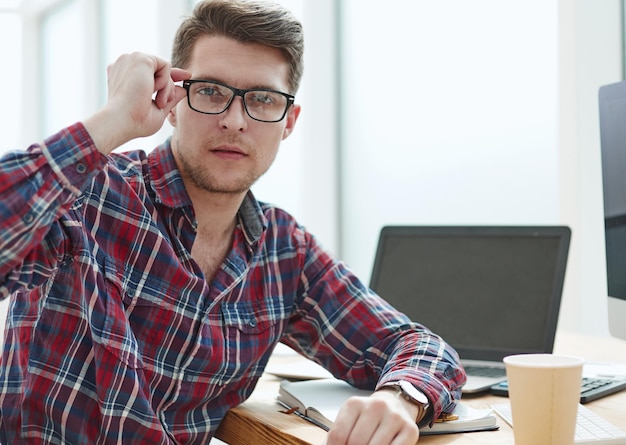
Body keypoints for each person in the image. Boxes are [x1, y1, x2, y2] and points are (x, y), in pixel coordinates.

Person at [0, 0, 466, 443]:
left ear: (289, 120)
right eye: (210, 92)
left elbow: (414, 344)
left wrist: (401, 398)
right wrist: (113, 121)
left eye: (262, 99)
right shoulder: (90, 194)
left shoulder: (286, 251)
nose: (234, 120)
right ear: (172, 102)